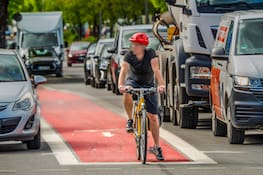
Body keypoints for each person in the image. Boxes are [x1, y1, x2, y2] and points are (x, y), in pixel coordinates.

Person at [118, 32, 165, 161]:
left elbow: (156, 70)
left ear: (144, 46)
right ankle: (130, 120)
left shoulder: (150, 53)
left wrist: (161, 85)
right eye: (132, 43)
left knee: (153, 118)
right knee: (127, 92)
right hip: (133, 82)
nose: (133, 46)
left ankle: (157, 146)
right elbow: (124, 70)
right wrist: (121, 85)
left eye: (137, 44)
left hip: (148, 83)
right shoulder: (129, 55)